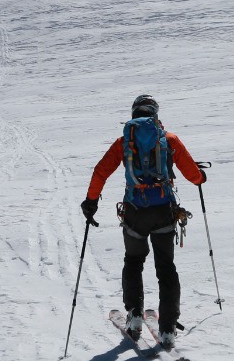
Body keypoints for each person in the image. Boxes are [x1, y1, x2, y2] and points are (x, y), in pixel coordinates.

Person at [81, 94, 206, 346]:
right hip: (163, 211)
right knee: (166, 268)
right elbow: (192, 175)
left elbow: (101, 171)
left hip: (135, 212)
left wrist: (91, 202)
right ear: (155, 114)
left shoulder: (124, 142)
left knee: (134, 261)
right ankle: (168, 328)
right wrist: (200, 177)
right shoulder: (169, 140)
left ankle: (135, 315)